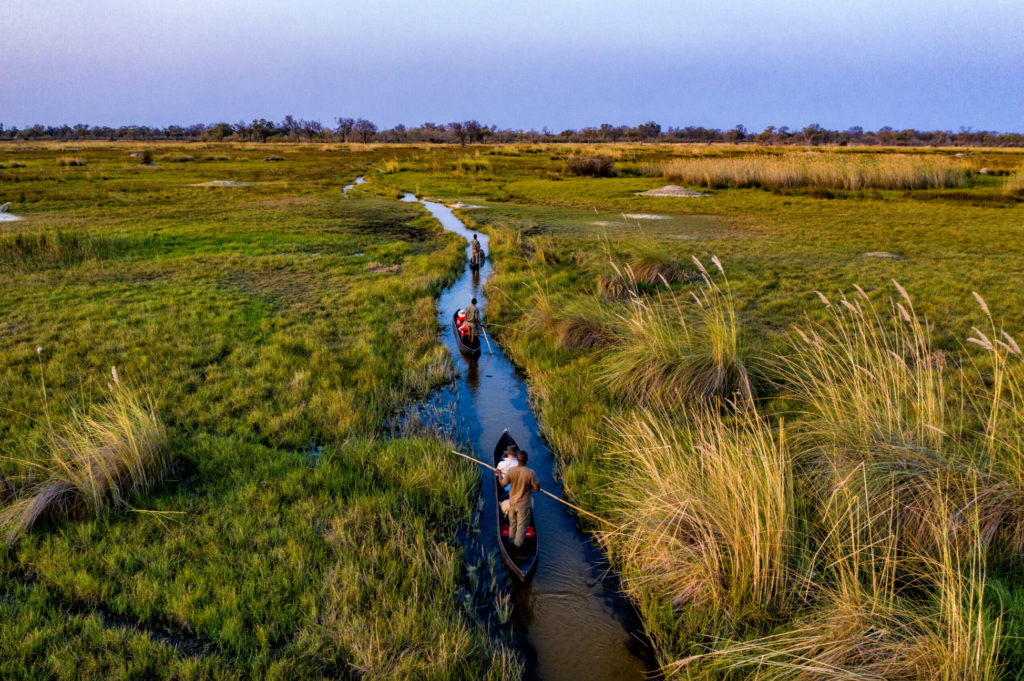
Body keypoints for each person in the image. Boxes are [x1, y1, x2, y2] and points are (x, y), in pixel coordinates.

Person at [500, 451, 540, 548]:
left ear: (517, 460)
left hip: (512, 504)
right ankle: (517, 548)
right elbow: (536, 489)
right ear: (526, 460)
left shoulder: (511, 471)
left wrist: (498, 474)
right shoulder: (531, 473)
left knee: (513, 524)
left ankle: (510, 541)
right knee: (521, 528)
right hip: (524, 506)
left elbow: (502, 484)